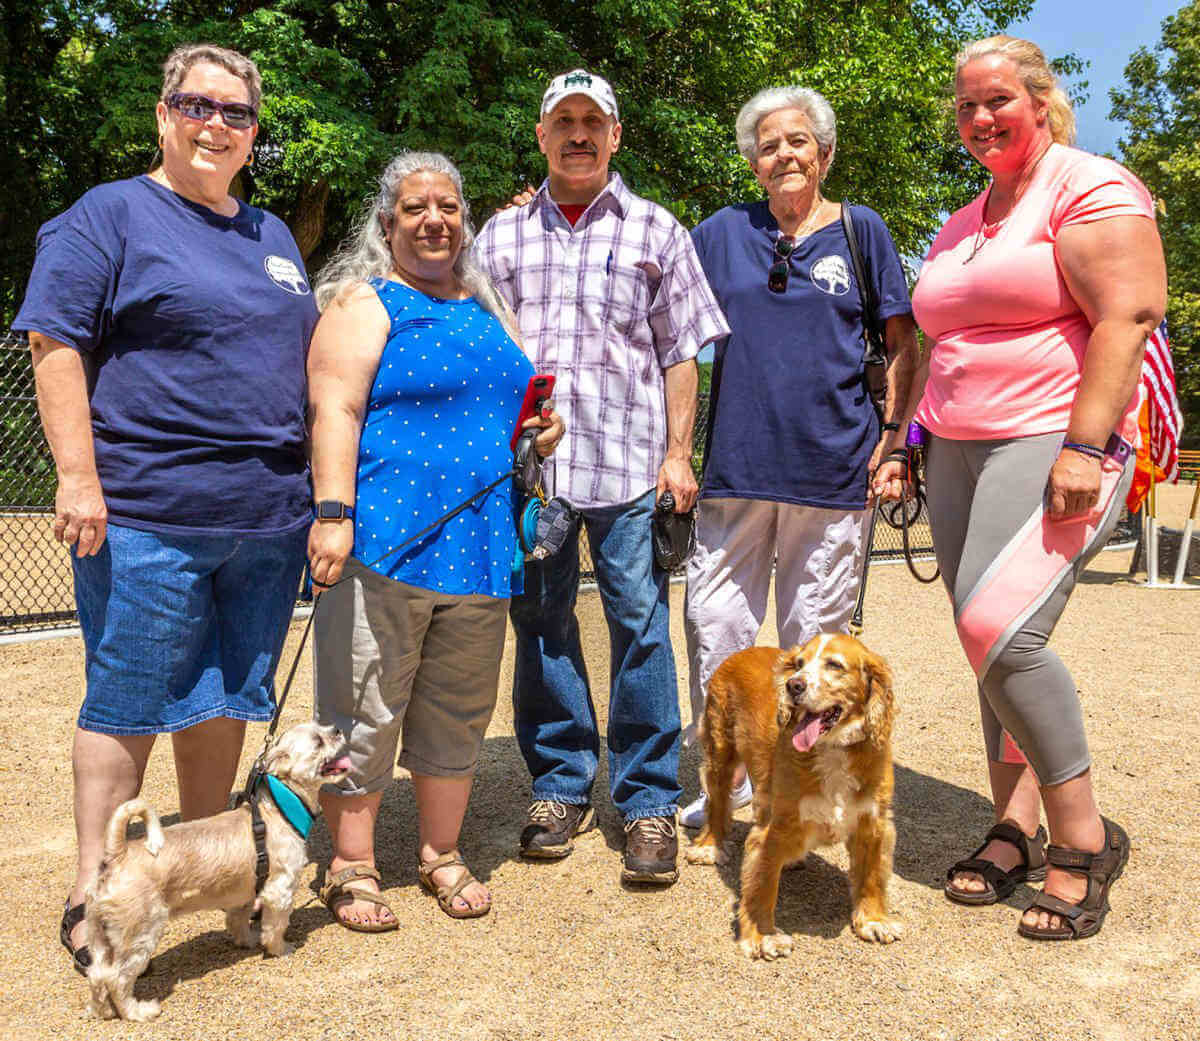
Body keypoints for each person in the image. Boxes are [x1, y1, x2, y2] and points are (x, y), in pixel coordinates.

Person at [14, 44, 316, 973]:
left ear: (254, 135)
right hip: (148, 509)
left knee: (228, 693)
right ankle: (94, 886)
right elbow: (54, 339)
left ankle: (205, 866)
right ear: (163, 114)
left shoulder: (271, 235)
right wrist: (78, 476)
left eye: (235, 114)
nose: (215, 124)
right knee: (129, 697)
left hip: (267, 518)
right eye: (197, 104)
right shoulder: (109, 214)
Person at [877, 35, 1166, 940]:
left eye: (997, 100)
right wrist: (904, 439)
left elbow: (1129, 312)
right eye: (964, 107)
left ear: (1040, 101)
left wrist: (1085, 448)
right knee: (984, 649)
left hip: (1055, 435)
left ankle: (1082, 842)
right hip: (956, 446)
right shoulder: (965, 220)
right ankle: (1013, 824)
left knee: (996, 628)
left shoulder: (1089, 185)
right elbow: (939, 343)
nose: (979, 119)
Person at [474, 69, 729, 885]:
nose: (578, 133)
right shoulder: (499, 236)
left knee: (641, 628)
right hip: (533, 473)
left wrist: (678, 452)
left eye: (593, 121)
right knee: (541, 625)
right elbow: (478, 347)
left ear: (615, 135)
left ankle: (649, 797)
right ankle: (559, 784)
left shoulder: (658, 230)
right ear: (542, 135)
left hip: (628, 466)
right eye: (564, 121)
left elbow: (681, 350)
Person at [306, 151, 564, 928]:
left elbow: (513, 413)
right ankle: (351, 864)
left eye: (448, 207)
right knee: (363, 706)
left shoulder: (488, 310)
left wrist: (539, 431)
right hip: (384, 540)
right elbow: (336, 410)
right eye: (415, 207)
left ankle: (440, 853)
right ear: (388, 224)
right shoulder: (365, 302)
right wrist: (332, 511)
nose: (434, 220)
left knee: (456, 710)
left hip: (482, 547)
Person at [680, 86, 919, 828]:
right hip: (735, 470)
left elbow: (904, 344)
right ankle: (729, 778)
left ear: (823, 152)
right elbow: (652, 288)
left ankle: (799, 787)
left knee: (813, 648)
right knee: (715, 628)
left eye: (797, 141)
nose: (783, 153)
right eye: (768, 145)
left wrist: (894, 444)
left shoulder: (861, 231)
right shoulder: (720, 232)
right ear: (753, 163)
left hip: (833, 469)